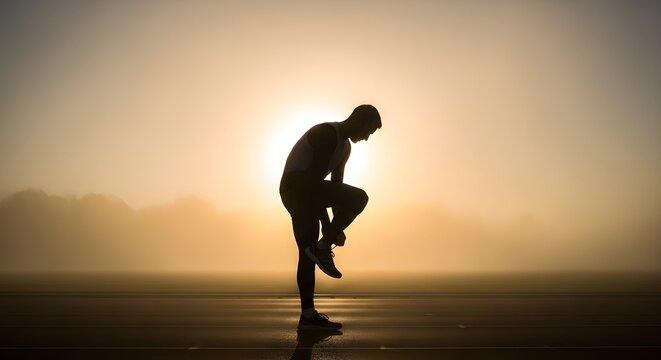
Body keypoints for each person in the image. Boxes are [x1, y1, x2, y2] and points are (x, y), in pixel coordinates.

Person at [279, 104, 381, 330]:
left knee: (307, 253)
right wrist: (328, 229)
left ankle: (307, 316)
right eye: (368, 132)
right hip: (296, 189)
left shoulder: (345, 148)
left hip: (305, 191)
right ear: (358, 121)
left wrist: (337, 227)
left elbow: (335, 186)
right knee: (360, 197)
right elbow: (314, 186)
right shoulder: (326, 134)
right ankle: (322, 249)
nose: (366, 138)